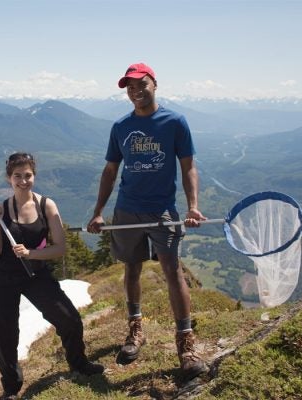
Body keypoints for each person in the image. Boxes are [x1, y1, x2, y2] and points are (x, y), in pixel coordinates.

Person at [86, 63, 208, 381]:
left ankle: (186, 344)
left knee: (172, 271)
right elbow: (110, 171)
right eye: (129, 86)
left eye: (141, 84)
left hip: (162, 210)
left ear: (155, 83)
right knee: (132, 268)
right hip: (127, 210)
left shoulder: (174, 122)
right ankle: (136, 330)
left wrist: (193, 207)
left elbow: (189, 167)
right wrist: (98, 211)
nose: (135, 91)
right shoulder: (120, 127)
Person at [0, 152, 104, 400]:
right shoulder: (1, 210)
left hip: (35, 273)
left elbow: (60, 247)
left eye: (27, 175)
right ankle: (11, 388)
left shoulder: (45, 205)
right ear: (9, 178)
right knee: (5, 333)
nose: (23, 181)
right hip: (2, 277)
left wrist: (29, 253)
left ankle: (78, 363)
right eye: (17, 176)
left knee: (69, 318)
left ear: (34, 176)